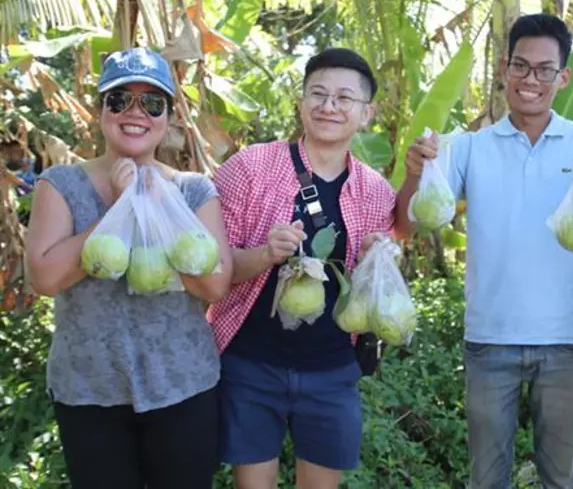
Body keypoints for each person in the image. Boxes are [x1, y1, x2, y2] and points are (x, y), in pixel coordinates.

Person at [396, 13, 573, 488]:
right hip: (489, 339)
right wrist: (416, 172)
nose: (531, 80)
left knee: (563, 478)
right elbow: (417, 221)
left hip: (564, 339)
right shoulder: (467, 147)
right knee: (487, 478)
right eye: (521, 66)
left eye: (546, 70)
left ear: (563, 78)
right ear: (504, 69)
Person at [24, 47, 234, 489]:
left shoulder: (194, 191)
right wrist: (123, 207)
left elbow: (215, 285)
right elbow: (43, 279)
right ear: (100, 110)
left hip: (183, 383)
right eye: (119, 99)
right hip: (89, 389)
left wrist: (157, 206)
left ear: (169, 117)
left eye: (152, 102)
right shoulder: (61, 184)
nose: (134, 112)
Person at [207, 47, 396, 489]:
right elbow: (209, 273)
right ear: (301, 103)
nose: (329, 106)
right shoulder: (249, 168)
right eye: (318, 93)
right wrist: (264, 254)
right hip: (252, 365)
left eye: (344, 98)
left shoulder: (376, 193)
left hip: (332, 372)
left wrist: (379, 260)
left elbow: (370, 292)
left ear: (366, 113)